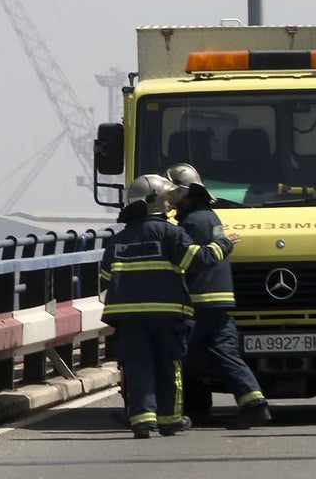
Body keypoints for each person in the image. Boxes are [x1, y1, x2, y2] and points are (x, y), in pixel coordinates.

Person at [100, 174, 238, 439]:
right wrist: (224, 243)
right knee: (169, 366)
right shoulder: (171, 233)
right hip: (167, 314)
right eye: (166, 200)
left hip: (128, 318)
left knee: (137, 366)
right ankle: (170, 419)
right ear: (155, 203)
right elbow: (199, 259)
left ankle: (141, 421)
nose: (171, 205)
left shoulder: (118, 240)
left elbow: (105, 276)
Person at [166, 163, 271, 430]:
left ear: (184, 193)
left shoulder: (192, 222)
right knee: (225, 353)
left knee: (175, 355)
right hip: (218, 299)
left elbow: (191, 261)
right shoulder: (209, 216)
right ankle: (254, 404)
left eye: (172, 191)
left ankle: (166, 412)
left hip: (199, 299)